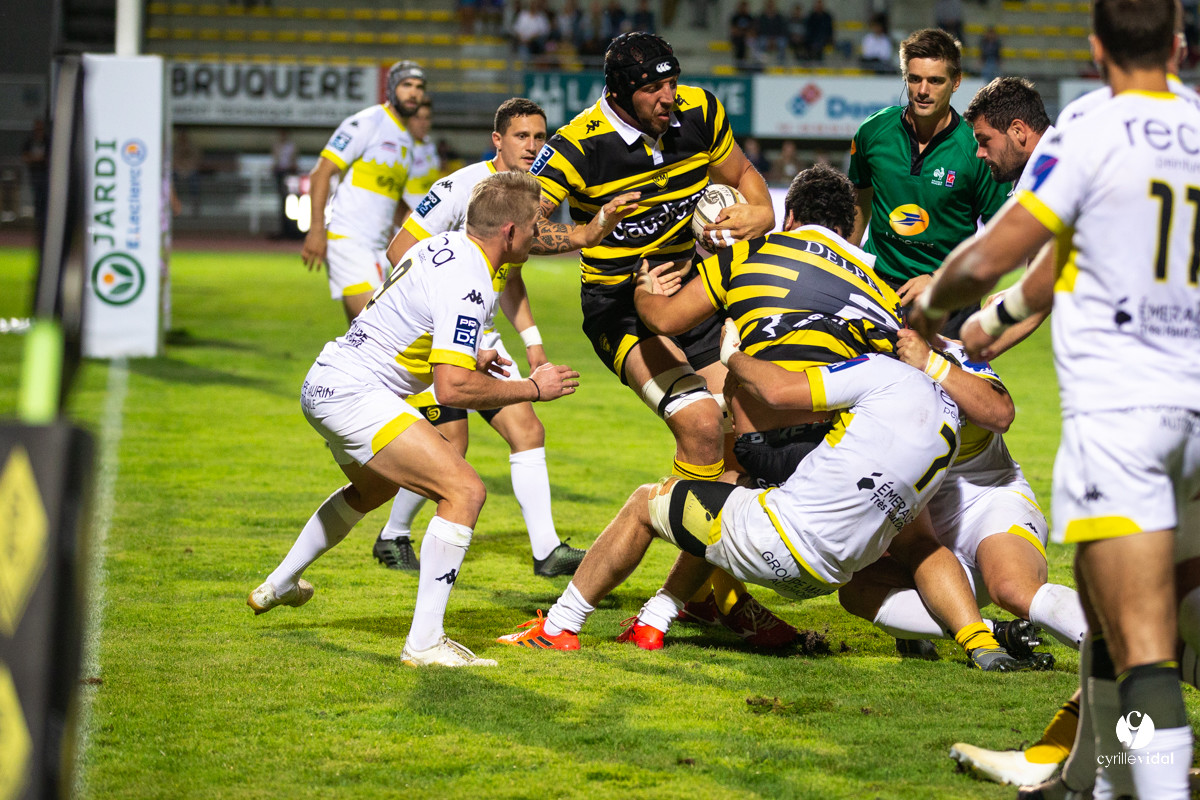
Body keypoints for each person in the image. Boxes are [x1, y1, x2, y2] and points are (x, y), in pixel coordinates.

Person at [911, 0, 1200, 794]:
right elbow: (1044, 282)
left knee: (1144, 641)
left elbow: (996, 255)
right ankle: (1089, 777)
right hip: (1197, 410)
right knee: (1118, 619)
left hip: (1126, 417)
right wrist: (986, 329)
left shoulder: (1091, 126)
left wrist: (933, 309)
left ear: (1097, 47)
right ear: (1177, 44)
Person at [614, 164, 1035, 671]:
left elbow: (665, 320)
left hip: (770, 438)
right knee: (918, 542)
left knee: (719, 491)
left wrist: (644, 288)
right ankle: (979, 640)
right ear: (852, 229)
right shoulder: (879, 288)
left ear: (790, 216)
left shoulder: (753, 253)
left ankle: (653, 614)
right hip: (845, 447)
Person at [247, 172, 586, 668]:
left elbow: (415, 323)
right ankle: (425, 643)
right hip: (355, 392)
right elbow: (452, 390)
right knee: (464, 491)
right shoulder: (472, 281)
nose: (541, 233)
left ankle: (278, 584)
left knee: (372, 491)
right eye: (536, 224)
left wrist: (469, 357)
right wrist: (534, 388)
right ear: (509, 232)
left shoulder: (444, 243)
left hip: (328, 379)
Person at [529, 31, 788, 645]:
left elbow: (750, 183)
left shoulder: (700, 111)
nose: (670, 97)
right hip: (620, 308)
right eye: (654, 88)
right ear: (619, 93)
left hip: (694, 296)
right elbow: (524, 229)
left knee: (747, 433)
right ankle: (614, 603)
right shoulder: (575, 148)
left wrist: (754, 214)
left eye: (672, 82)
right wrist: (590, 232)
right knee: (701, 426)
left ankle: (702, 594)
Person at [495, 351, 971, 658]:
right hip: (830, 578)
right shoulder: (942, 423)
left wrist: (732, 357)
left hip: (783, 542)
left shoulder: (883, 375)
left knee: (646, 503)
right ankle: (658, 618)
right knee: (726, 492)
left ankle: (559, 626)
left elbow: (780, 392)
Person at [374, 98, 586, 578]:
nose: (533, 146)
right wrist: (441, 316)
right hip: (442, 334)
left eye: (539, 137)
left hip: (482, 334)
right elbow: (399, 250)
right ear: (497, 140)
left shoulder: (525, 194)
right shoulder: (459, 186)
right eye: (521, 136)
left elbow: (507, 273)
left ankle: (547, 551)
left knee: (527, 429)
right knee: (451, 443)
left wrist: (531, 339)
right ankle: (392, 536)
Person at [848, 28, 1010, 335]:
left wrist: (937, 280)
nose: (923, 90)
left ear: (956, 82)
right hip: (877, 289)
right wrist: (843, 262)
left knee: (946, 383)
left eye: (935, 80)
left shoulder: (977, 149)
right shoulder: (873, 132)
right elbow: (860, 201)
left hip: (950, 299)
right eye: (914, 79)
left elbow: (999, 238)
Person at [301, 61, 426, 323]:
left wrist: (424, 232)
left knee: (362, 343)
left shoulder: (406, 138)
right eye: (406, 85)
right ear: (392, 89)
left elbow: (393, 201)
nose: (413, 93)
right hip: (349, 243)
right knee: (380, 331)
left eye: (419, 87)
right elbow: (321, 173)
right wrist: (316, 230)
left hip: (378, 248)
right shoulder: (368, 122)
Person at [401, 100, 441, 216]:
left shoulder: (430, 146)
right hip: (406, 221)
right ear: (407, 120)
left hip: (428, 217)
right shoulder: (402, 147)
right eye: (417, 118)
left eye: (427, 118)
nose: (423, 123)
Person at [271, 128, 298, 239]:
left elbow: (293, 160)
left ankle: (290, 229)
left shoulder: (291, 146)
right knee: (282, 202)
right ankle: (283, 229)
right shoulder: (277, 146)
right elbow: (275, 160)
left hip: (288, 173)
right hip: (279, 173)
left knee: (289, 201)